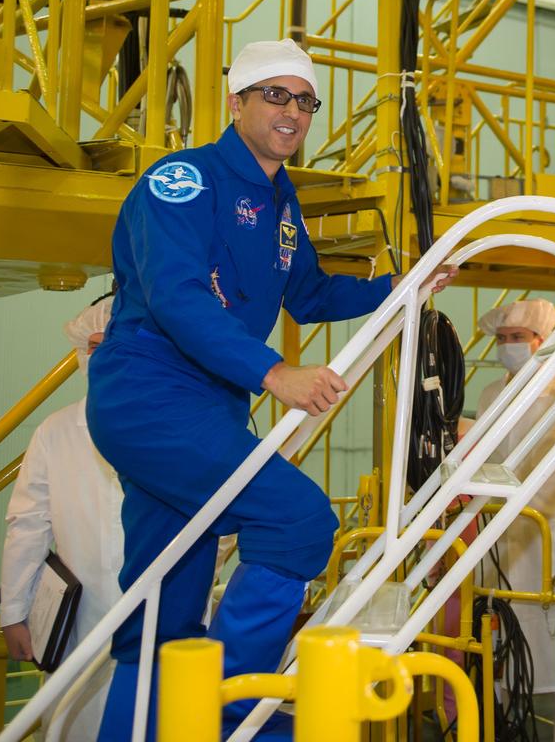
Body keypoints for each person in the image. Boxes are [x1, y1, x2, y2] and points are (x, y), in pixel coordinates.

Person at [87, 39, 456, 739]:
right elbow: (177, 297)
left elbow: (309, 293)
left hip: (209, 407)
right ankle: (231, 716)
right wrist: (274, 374)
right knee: (298, 520)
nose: (293, 113)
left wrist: (400, 289)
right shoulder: (184, 182)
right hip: (152, 400)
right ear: (237, 101)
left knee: (166, 604)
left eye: (306, 101)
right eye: (276, 96)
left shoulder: (283, 204)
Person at [0, 297, 122, 741]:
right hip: (80, 623)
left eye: (115, 344)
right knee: (76, 725)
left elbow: (218, 527)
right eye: (93, 347)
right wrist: (14, 612)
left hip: (163, 618)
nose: (102, 356)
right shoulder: (54, 432)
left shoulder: (180, 425)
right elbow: (27, 526)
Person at [474, 299, 555, 737]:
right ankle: (509, 724)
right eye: (502, 340)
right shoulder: (490, 395)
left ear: (541, 343)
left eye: (518, 339)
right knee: (507, 640)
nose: (509, 347)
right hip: (508, 540)